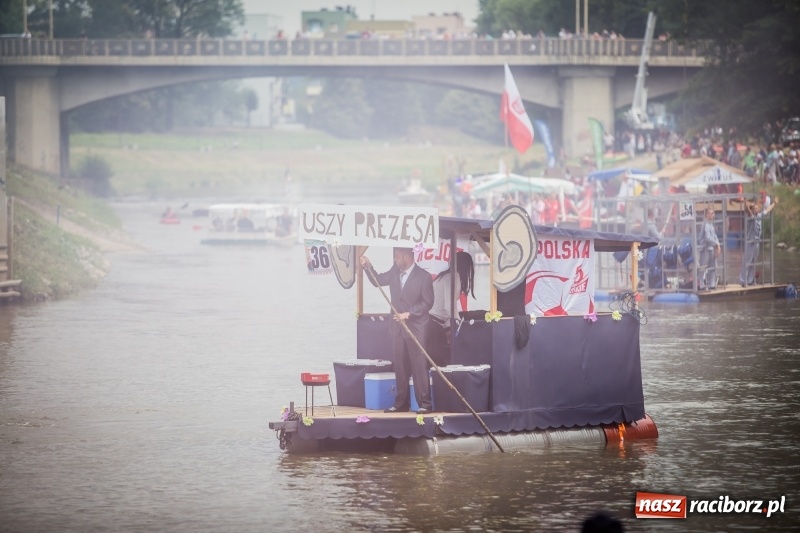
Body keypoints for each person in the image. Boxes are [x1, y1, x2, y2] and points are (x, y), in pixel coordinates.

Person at [360, 248, 434, 414]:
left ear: (407, 257)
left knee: (418, 366)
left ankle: (425, 404)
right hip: (397, 327)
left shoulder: (423, 276)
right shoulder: (394, 272)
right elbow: (377, 280)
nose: (395, 259)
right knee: (400, 366)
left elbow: (428, 303)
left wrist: (409, 314)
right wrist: (367, 266)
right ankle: (401, 403)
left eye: (397, 256)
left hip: (416, 327)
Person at [427, 252, 476, 366]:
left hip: (431, 323)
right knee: (439, 363)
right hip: (433, 325)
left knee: (433, 363)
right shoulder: (453, 276)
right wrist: (458, 324)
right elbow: (449, 306)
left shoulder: (444, 276)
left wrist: (449, 326)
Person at [739, 197, 778, 286]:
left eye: (757, 208)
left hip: (756, 242)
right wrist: (745, 203)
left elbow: (767, 210)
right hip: (750, 242)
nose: (757, 209)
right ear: (753, 210)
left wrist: (774, 203)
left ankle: (750, 280)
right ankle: (743, 280)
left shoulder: (759, 216)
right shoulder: (751, 217)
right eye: (755, 208)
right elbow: (748, 211)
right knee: (747, 262)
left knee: (753, 262)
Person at [698, 208, 721, 290]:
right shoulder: (705, 224)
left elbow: (714, 236)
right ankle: (701, 285)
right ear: (707, 215)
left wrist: (717, 245)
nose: (713, 215)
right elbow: (707, 238)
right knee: (703, 267)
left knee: (713, 267)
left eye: (713, 213)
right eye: (711, 213)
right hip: (705, 249)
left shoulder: (710, 224)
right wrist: (716, 244)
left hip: (711, 248)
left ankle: (712, 284)